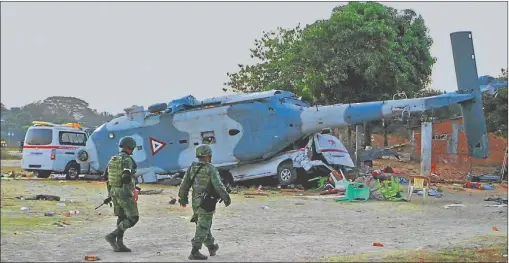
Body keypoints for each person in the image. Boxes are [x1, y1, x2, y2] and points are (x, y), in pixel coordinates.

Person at [178, 144, 231, 260]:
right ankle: (195, 251)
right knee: (203, 226)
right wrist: (226, 197)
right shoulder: (210, 169)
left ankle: (211, 246)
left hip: (195, 202)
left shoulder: (192, 167)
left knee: (203, 224)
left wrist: (183, 198)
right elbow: (218, 185)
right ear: (208, 156)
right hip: (207, 201)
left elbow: (184, 185)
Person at [102, 136, 139, 252]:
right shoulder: (127, 160)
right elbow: (126, 177)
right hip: (124, 192)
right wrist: (132, 190)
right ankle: (112, 236)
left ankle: (119, 244)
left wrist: (110, 194)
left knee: (122, 217)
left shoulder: (113, 159)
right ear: (130, 147)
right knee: (133, 217)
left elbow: (106, 178)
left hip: (114, 191)